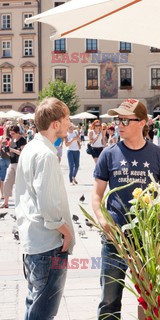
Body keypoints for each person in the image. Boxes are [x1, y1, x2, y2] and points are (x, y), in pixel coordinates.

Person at [92, 99, 160, 320]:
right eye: (118, 119)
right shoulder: (109, 153)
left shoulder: (158, 155)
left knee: (148, 296)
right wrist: (102, 220)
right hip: (115, 236)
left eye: (126, 120)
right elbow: (97, 194)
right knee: (109, 297)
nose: (120, 124)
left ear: (142, 123)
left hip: (147, 237)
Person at [15, 97, 75, 320]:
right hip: (49, 244)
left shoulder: (32, 147)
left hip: (33, 242)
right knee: (44, 313)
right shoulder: (47, 154)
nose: (70, 123)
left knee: (34, 304)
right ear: (55, 124)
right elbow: (48, 205)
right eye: (67, 118)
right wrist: (67, 233)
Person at [2, 125, 26, 208]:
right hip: (12, 163)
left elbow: (22, 153)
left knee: (19, 183)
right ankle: (6, 202)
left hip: (19, 163)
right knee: (7, 181)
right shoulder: (12, 140)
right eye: (10, 133)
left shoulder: (22, 140)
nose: (11, 135)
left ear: (17, 132)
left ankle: (21, 203)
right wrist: (7, 151)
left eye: (12, 133)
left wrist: (12, 150)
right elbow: (10, 154)